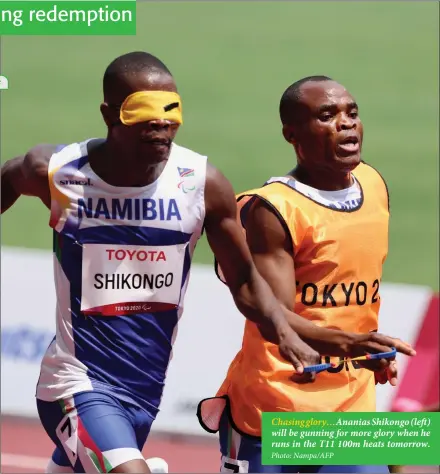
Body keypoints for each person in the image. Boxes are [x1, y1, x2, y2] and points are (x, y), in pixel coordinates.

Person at [0, 52, 322, 474]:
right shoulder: (60, 172)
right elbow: (8, 177)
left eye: (171, 109)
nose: (161, 122)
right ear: (109, 114)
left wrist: (283, 330)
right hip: (75, 380)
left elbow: (243, 278)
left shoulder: (200, 184)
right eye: (144, 111)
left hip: (145, 388)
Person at [197, 76, 416, 473]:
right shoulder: (273, 211)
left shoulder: (374, 183)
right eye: (327, 115)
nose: (346, 123)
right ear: (292, 134)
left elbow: (353, 299)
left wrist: (362, 348)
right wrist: (352, 344)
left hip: (350, 406)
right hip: (276, 410)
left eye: (352, 112)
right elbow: (274, 318)